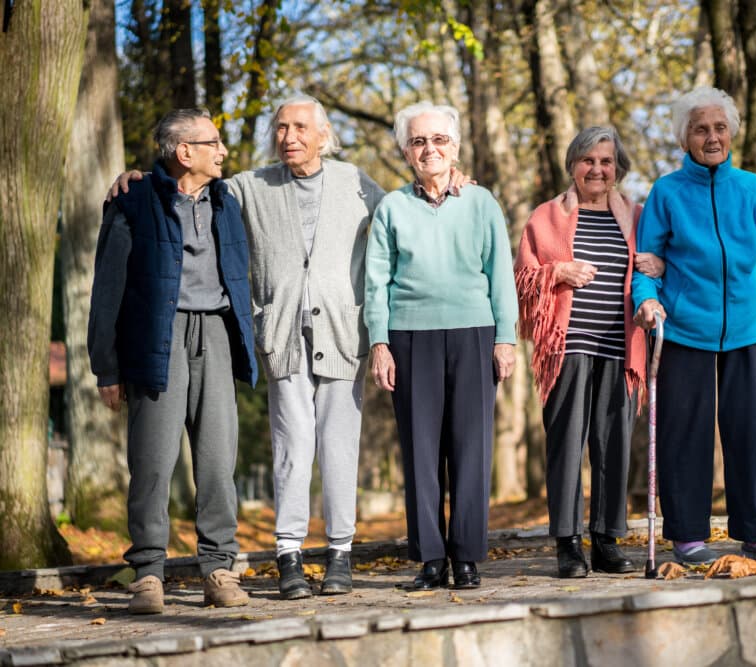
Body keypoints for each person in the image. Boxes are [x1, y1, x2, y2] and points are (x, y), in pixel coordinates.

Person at [109, 95, 385, 599]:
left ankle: (286, 559)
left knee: (287, 455)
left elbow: (399, 218)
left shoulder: (344, 185)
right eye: (280, 127)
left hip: (300, 335)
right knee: (259, 452)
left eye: (300, 127)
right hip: (227, 338)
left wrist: (447, 185)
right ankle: (258, 559)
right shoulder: (235, 188)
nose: (288, 136)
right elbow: (174, 190)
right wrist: (133, 176)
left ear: (324, 135)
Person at [632, 87, 756, 566]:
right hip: (683, 331)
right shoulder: (666, 193)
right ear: (684, 139)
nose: (711, 137)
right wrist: (647, 303)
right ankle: (688, 535)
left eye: (719, 127)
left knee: (750, 433)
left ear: (731, 132)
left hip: (748, 329)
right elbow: (645, 264)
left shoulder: (753, 191)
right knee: (685, 434)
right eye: (700, 129)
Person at [89, 108, 257, 614]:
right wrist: (107, 367)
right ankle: (147, 574)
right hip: (155, 338)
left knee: (217, 460)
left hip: (217, 336)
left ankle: (219, 569)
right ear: (185, 152)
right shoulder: (132, 200)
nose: (222, 151)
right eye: (213, 143)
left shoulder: (228, 200)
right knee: (153, 462)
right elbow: (107, 289)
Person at [365, 101, 518, 590]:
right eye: (418, 141)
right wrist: (379, 342)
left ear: (454, 147)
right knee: (420, 452)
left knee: (471, 450)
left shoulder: (482, 203)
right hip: (410, 336)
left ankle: (467, 556)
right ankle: (431, 558)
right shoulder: (391, 207)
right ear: (406, 151)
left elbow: (501, 276)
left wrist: (506, 338)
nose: (429, 149)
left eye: (439, 140)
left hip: (473, 332)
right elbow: (376, 283)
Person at [514, 126, 663, 578]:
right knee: (566, 443)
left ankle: (606, 540)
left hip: (620, 346)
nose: (597, 169)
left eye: (606, 161)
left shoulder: (637, 216)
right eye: (588, 161)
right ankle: (567, 543)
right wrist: (557, 270)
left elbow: (657, 264)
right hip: (568, 345)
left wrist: (659, 264)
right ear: (573, 166)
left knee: (612, 443)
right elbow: (521, 278)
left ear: (618, 168)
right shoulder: (545, 217)